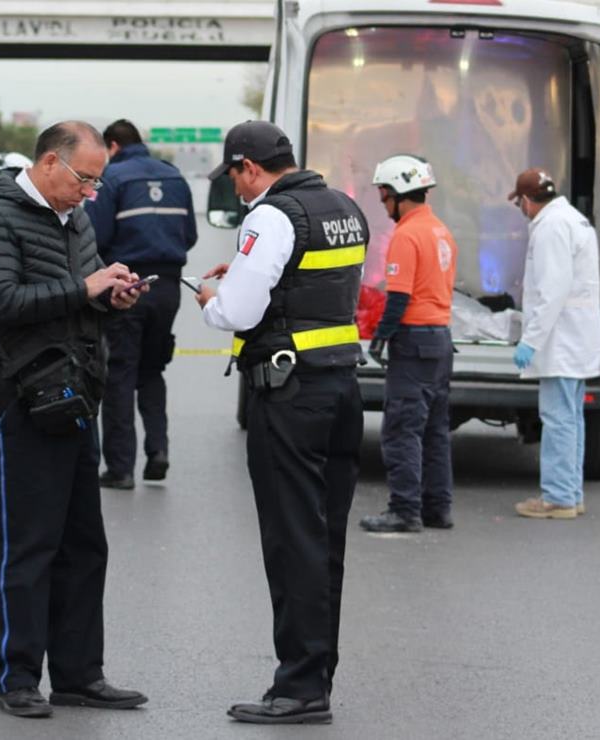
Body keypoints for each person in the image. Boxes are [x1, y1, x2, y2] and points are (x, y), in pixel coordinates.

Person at [0, 121, 148, 718]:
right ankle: (18, 676)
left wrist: (110, 295)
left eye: (98, 180)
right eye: (84, 179)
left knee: (83, 545)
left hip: (77, 395)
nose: (91, 191)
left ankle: (79, 674)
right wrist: (83, 285)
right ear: (49, 163)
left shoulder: (77, 217)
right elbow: (2, 303)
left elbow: (81, 296)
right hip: (25, 398)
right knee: (28, 544)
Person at [196, 120, 367, 725]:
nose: (237, 192)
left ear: (248, 167)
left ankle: (298, 688)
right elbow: (316, 286)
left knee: (292, 538)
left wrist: (214, 301)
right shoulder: (343, 207)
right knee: (326, 540)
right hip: (342, 391)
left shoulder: (270, 216)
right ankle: (317, 675)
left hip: (289, 394)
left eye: (235, 178)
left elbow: (240, 311)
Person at [84, 119, 197, 489]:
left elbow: (97, 237)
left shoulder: (113, 178)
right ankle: (158, 451)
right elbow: (191, 236)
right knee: (152, 369)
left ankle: (120, 468)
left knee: (119, 373)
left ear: (113, 146)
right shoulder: (175, 177)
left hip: (127, 284)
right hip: (169, 288)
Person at [358, 155, 458, 533]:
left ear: (398, 194)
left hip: (414, 342)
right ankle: (438, 508)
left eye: (384, 198)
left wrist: (380, 337)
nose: (384, 207)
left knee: (402, 429)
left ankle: (404, 510)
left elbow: (398, 297)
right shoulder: (440, 231)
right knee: (434, 430)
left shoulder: (407, 235)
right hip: (440, 340)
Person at [508, 168, 600, 519]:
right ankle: (570, 492)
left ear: (526, 200)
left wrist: (530, 341)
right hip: (574, 337)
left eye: (519, 203)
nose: (521, 210)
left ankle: (558, 497)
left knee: (558, 418)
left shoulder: (551, 227)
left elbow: (551, 292)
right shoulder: (572, 220)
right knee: (570, 417)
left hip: (562, 339)